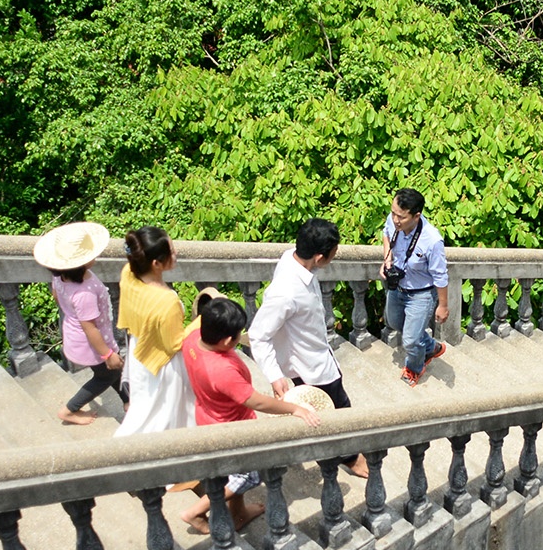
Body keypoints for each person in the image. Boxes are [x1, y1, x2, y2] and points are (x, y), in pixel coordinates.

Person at [179, 294, 321, 532]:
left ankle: (238, 514)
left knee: (234, 470)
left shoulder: (193, 339)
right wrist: (295, 408)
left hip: (208, 414)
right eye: (236, 336)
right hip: (232, 428)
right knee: (246, 476)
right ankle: (194, 512)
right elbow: (258, 402)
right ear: (226, 341)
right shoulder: (221, 370)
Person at [250, 217, 367, 476]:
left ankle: (337, 452)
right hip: (310, 365)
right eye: (333, 254)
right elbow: (258, 335)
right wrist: (274, 374)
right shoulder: (285, 292)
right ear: (318, 257)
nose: (335, 257)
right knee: (337, 411)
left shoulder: (291, 258)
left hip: (317, 354)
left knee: (322, 409)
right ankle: (348, 458)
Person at [34, 222, 125, 426]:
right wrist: (107, 355)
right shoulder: (84, 291)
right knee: (105, 376)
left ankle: (128, 401)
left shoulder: (61, 277)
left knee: (113, 371)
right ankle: (69, 409)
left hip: (77, 335)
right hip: (92, 343)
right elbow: (89, 327)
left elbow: (57, 297)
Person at [114, 227, 194, 436]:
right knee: (164, 411)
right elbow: (174, 344)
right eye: (172, 252)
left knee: (144, 405)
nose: (175, 254)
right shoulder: (167, 300)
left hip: (139, 349)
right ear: (156, 263)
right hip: (163, 362)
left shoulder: (128, 273)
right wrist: (200, 323)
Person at [381, 188, 449, 386]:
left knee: (410, 340)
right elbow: (386, 234)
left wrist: (443, 305)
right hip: (398, 287)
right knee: (394, 323)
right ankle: (431, 347)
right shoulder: (393, 220)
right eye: (393, 213)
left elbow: (440, 275)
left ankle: (415, 367)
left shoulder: (432, 240)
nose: (395, 220)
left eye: (401, 217)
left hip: (422, 294)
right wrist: (387, 259)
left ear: (416, 216)